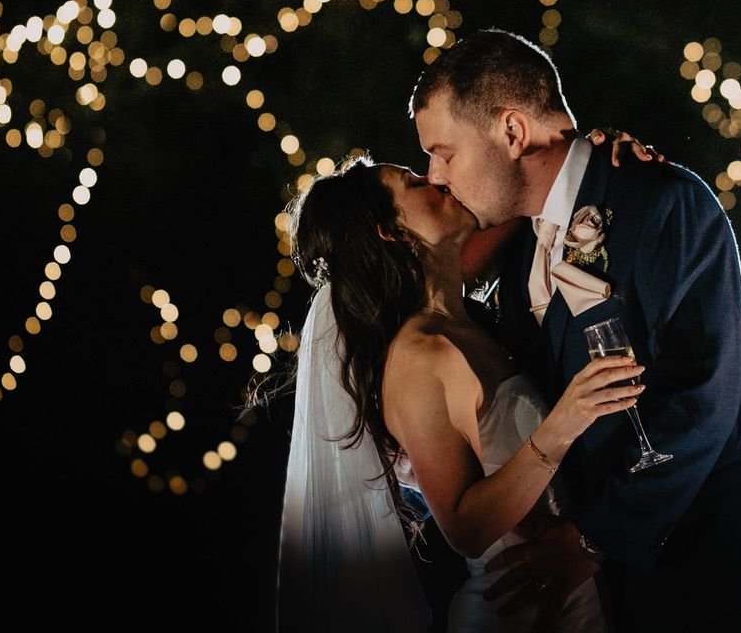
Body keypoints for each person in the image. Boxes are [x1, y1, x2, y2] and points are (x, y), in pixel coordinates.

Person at [409, 28, 741, 632]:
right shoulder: (517, 245)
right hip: (619, 596)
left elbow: (702, 395)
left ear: (513, 132)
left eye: (444, 152)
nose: (435, 175)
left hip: (720, 575)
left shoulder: (663, 201)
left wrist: (591, 539)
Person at [277, 153, 647, 633]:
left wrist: (601, 150)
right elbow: (465, 528)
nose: (434, 177)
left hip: (570, 586)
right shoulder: (421, 356)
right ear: (394, 233)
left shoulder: (474, 322)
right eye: (414, 183)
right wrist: (566, 421)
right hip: (514, 609)